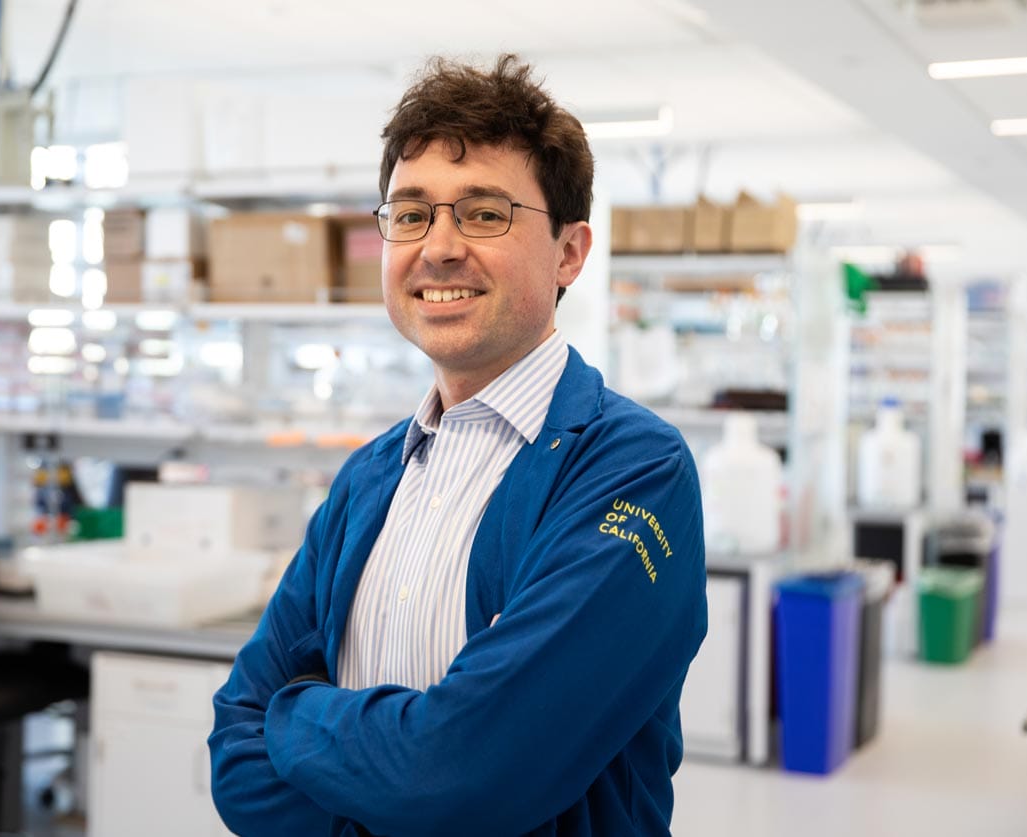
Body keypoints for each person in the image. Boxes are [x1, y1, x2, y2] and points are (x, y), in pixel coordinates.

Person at [209, 53, 707, 837]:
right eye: (410, 214)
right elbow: (234, 746)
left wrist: (295, 712)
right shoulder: (368, 478)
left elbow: (469, 772)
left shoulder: (632, 472)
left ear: (570, 252)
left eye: (483, 213)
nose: (438, 247)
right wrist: (399, 781)